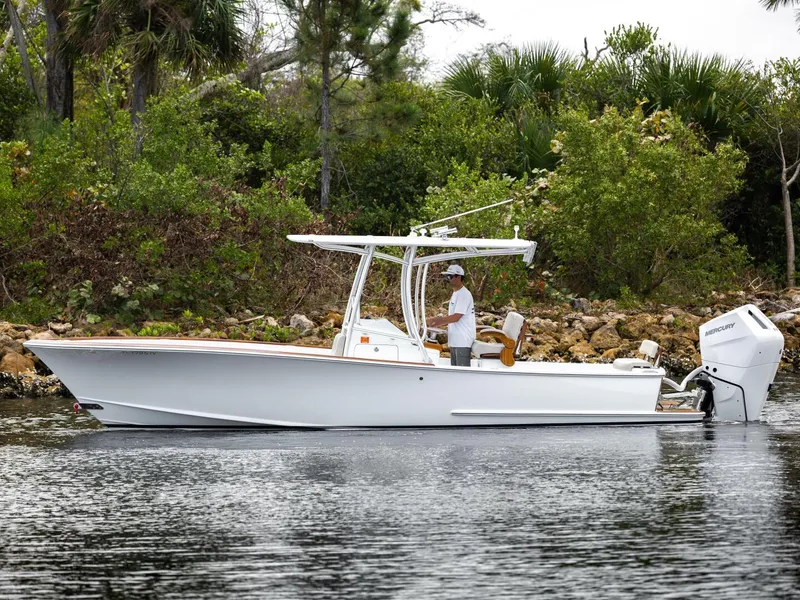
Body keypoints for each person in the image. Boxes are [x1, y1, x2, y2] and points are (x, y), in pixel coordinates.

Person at [426, 265, 475, 366]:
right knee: (455, 370)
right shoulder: (456, 293)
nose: (448, 279)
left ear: (459, 277)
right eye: (447, 276)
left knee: (461, 372)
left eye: (450, 276)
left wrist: (435, 321)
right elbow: (452, 317)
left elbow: (456, 317)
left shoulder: (464, 294)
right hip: (455, 340)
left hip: (463, 340)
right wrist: (437, 323)